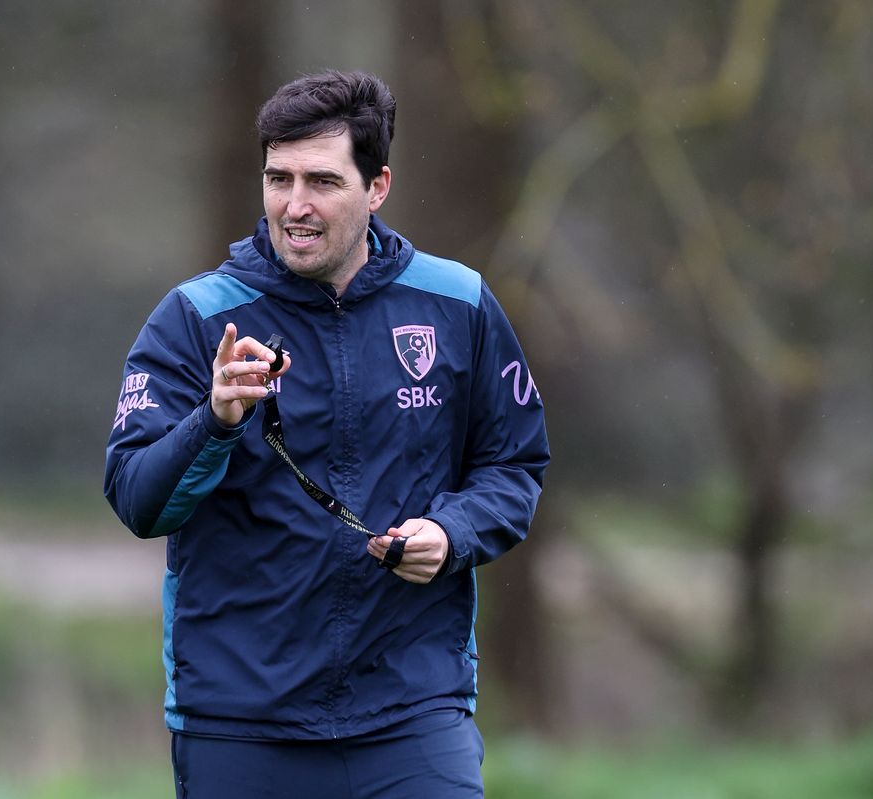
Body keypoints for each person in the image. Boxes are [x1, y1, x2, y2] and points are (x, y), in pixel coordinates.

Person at [104, 69, 549, 799]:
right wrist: (211, 423)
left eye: (322, 181)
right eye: (278, 178)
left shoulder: (457, 303)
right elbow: (138, 500)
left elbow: (515, 464)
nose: (294, 206)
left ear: (377, 188)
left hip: (412, 713)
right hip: (241, 719)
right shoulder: (196, 318)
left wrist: (452, 531)